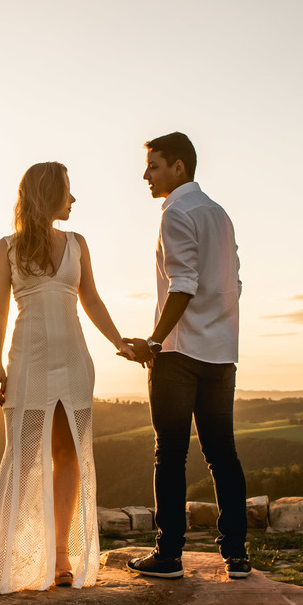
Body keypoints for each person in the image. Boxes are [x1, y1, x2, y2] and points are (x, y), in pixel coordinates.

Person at [0, 162, 125, 595]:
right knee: (21, 459)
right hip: (28, 362)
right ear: (47, 193)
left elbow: (91, 299)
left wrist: (120, 342)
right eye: (67, 191)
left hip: (74, 361)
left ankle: (61, 558)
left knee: (68, 454)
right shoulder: (6, 248)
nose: (73, 200)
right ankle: (4, 561)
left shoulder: (78, 244)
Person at [121, 132, 250, 580]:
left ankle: (169, 555)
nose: (146, 175)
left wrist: (154, 342)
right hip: (221, 353)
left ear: (179, 167)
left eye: (153, 166)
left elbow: (183, 284)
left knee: (171, 455)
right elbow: (235, 281)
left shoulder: (176, 212)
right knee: (222, 455)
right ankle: (236, 555)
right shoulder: (220, 214)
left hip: (179, 353)